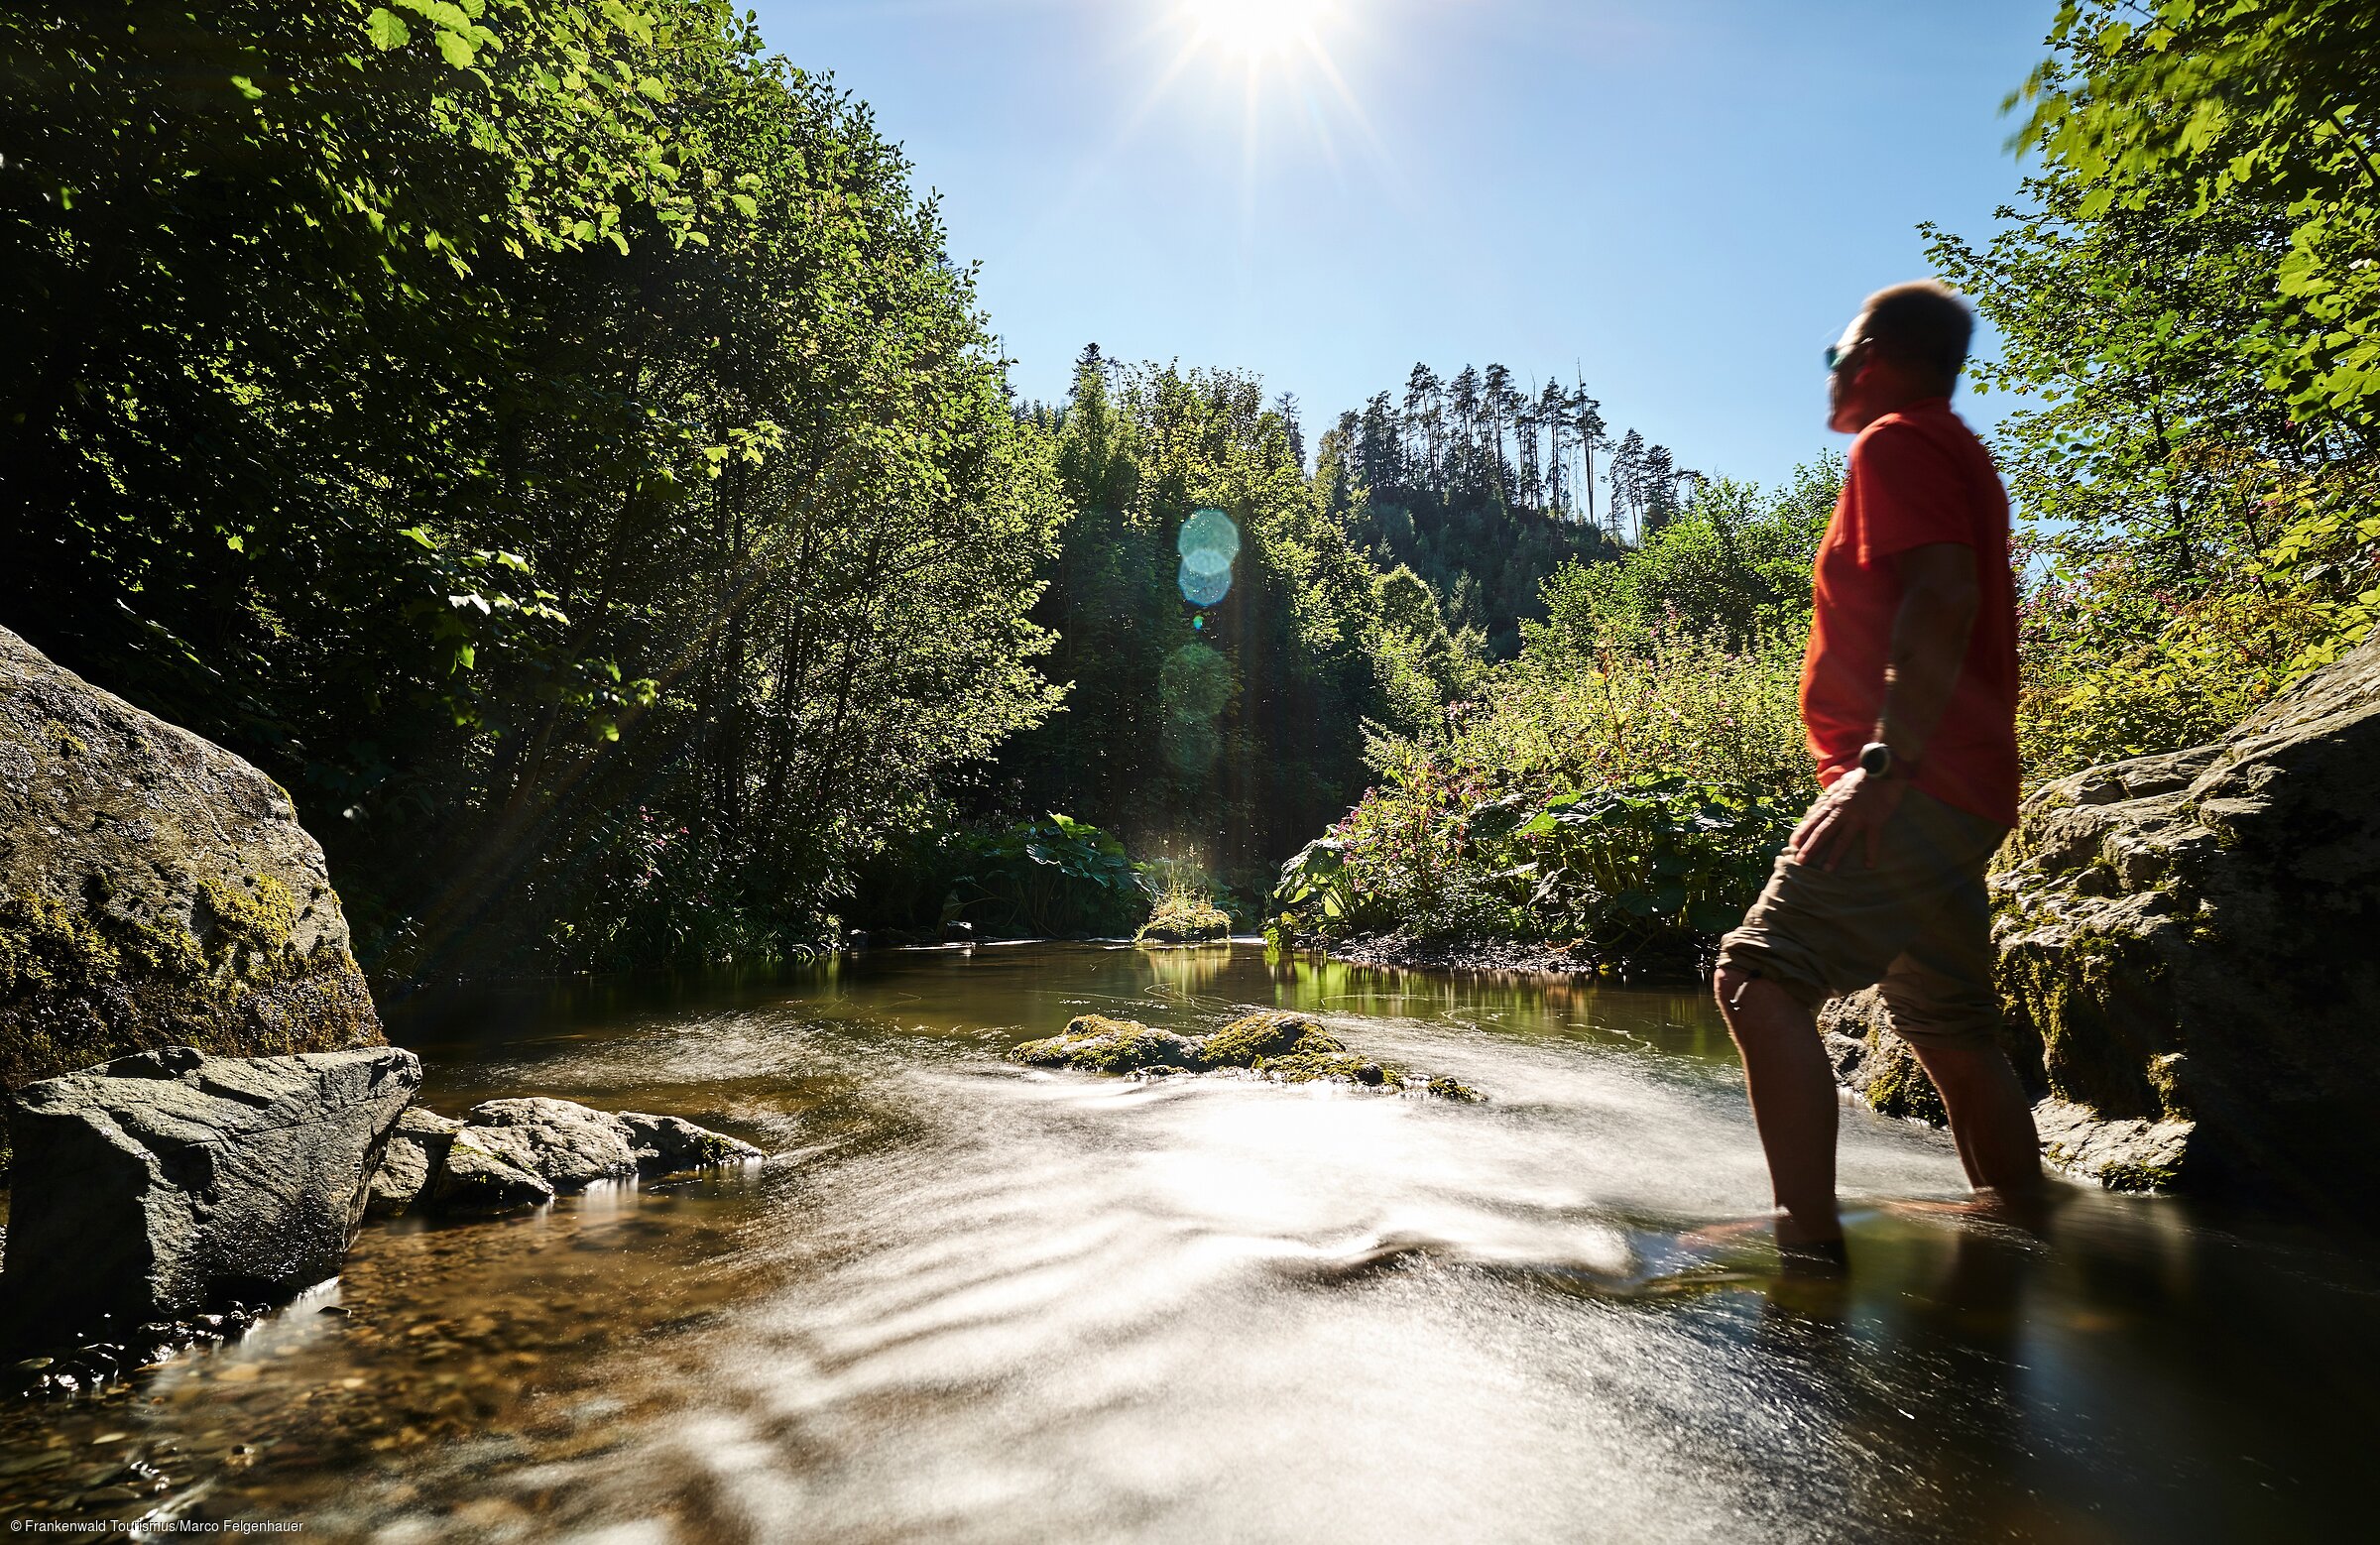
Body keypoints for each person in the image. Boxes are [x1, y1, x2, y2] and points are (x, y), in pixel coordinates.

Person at [1712, 280, 2043, 1272]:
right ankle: (2022, 1228)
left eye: (1840, 354)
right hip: (1963, 790)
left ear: (1881, 355)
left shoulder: (1897, 441)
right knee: (1948, 1030)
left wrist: (1882, 766)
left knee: (1757, 978)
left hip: (1913, 784)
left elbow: (1941, 600)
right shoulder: (1960, 451)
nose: (1835, 374)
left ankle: (1806, 1251)